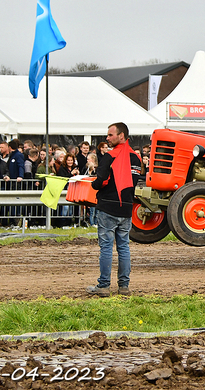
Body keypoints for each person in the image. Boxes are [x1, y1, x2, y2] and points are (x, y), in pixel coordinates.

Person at [87, 122, 141, 297]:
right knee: (124, 247)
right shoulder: (137, 159)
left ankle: (103, 286)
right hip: (126, 209)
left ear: (121, 136)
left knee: (106, 247)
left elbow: (100, 181)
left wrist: (93, 183)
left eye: (110, 135)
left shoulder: (110, 156)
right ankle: (124, 286)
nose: (107, 138)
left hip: (108, 208)